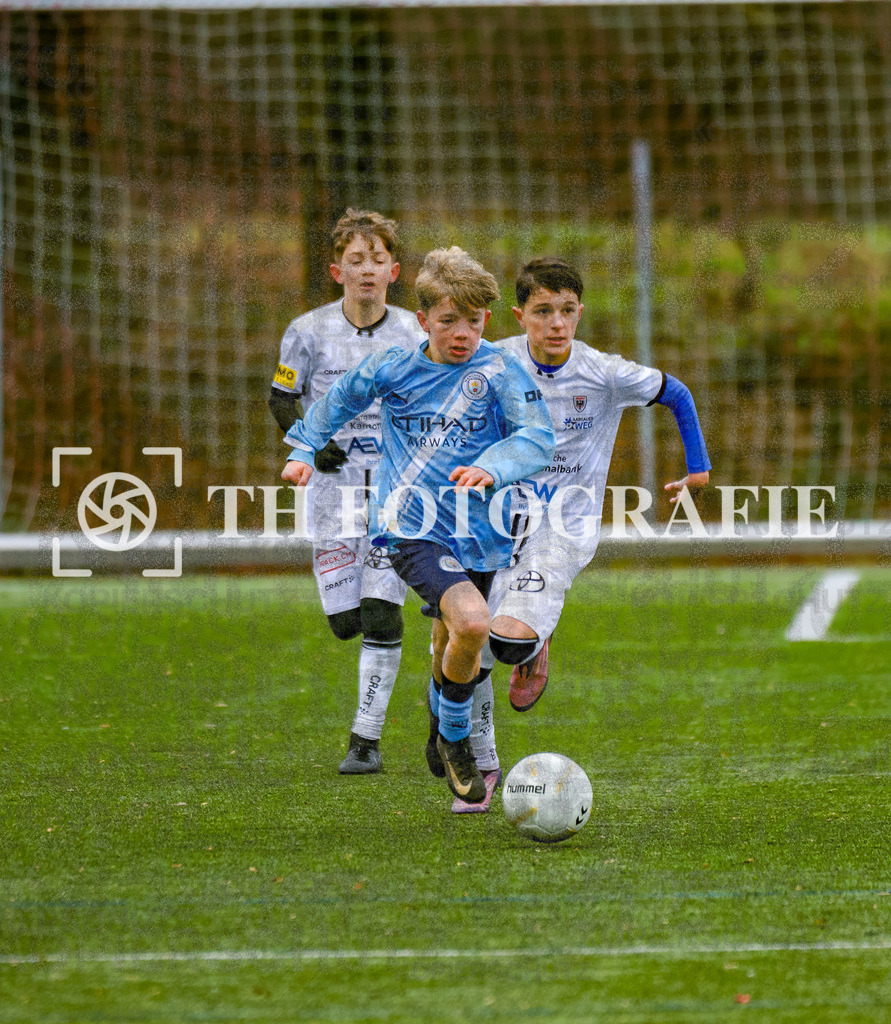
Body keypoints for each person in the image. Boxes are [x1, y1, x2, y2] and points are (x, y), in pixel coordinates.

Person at [281, 247, 555, 806]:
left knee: (448, 642)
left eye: (474, 321)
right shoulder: (395, 367)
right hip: (412, 526)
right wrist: (304, 447)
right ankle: (456, 743)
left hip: (483, 533)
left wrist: (492, 467)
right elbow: (336, 401)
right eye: (449, 320)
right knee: (473, 624)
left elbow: (537, 439)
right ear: (423, 319)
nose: (462, 333)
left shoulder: (501, 373)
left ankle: (439, 715)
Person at [487, 257, 711, 710]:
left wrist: (698, 467)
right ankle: (456, 738)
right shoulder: (495, 362)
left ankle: (533, 642)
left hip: (564, 520)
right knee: (470, 637)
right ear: (519, 317)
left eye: (568, 310)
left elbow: (678, 393)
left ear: (580, 313)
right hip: (496, 515)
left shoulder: (603, 372)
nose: (557, 323)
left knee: (507, 645)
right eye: (543, 311)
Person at [268, 209, 425, 775]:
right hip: (332, 494)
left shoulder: (415, 331)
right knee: (346, 622)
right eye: (356, 260)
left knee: (384, 613)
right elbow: (281, 399)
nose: (367, 270)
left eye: (377, 260)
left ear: (395, 271)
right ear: (337, 271)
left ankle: (366, 740)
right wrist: (310, 441)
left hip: (398, 489)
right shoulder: (306, 331)